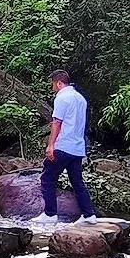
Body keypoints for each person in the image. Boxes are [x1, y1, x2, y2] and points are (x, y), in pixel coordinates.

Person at [40, 70, 94, 220]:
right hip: (77, 147)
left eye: (53, 85)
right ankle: (89, 215)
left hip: (64, 145)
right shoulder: (81, 98)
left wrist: (51, 145)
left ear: (59, 83)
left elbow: (57, 122)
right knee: (77, 182)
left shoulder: (62, 97)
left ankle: (49, 214)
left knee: (48, 178)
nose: (53, 88)